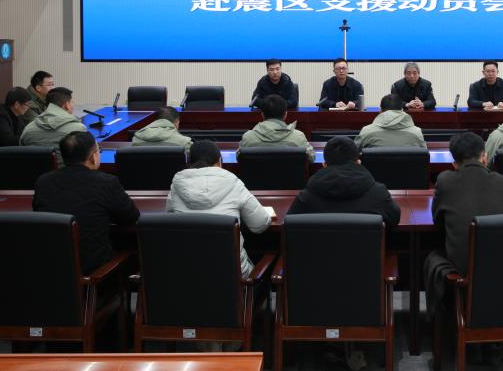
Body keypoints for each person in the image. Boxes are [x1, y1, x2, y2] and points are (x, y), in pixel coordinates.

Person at [425, 132, 503, 319]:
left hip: (464, 271)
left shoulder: (445, 182)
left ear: (454, 163)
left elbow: (438, 222)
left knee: (432, 256)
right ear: (484, 157)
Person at [32, 131, 140, 274]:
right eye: (99, 151)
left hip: (51, 269)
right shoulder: (106, 182)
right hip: (95, 272)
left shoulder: (43, 182)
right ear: (92, 158)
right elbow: (131, 218)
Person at [166, 140, 272, 278]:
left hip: (187, 274)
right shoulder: (233, 182)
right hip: (232, 276)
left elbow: (170, 221)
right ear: (219, 162)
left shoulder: (177, 186)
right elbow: (260, 224)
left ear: (189, 163)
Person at [287, 136, 400, 226]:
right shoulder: (379, 194)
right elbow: (394, 219)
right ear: (358, 162)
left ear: (324, 165)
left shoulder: (306, 197)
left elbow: (290, 223)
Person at [238, 93, 315, 162]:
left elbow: (238, 158)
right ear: (285, 115)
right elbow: (312, 157)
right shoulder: (298, 137)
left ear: (262, 115)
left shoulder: (248, 137)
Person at [19, 86, 85, 150]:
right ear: (67, 105)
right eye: (71, 102)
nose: (72, 105)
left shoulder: (28, 129)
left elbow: (21, 152)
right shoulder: (78, 129)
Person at [354, 94, 427, 148]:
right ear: (402, 110)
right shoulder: (416, 132)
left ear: (380, 110)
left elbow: (354, 154)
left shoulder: (367, 131)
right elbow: (424, 156)